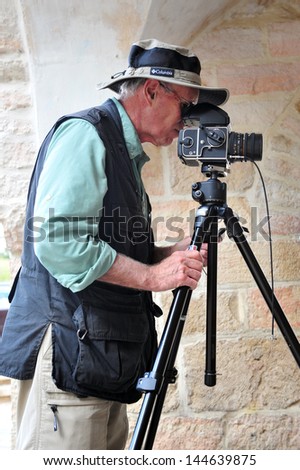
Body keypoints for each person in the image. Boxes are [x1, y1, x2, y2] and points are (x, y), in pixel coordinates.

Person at [0, 38, 229, 450]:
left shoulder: (123, 151)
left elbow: (106, 243)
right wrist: (152, 275)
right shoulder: (86, 135)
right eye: (186, 105)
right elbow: (58, 241)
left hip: (99, 358)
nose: (189, 119)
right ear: (152, 91)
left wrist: (164, 256)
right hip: (71, 358)